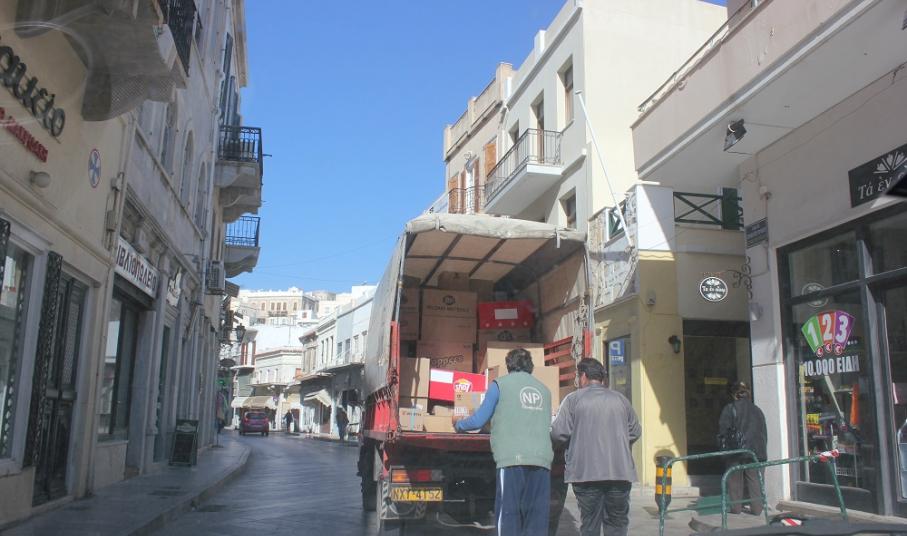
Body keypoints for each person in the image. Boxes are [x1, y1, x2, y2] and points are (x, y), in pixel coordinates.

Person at [454, 348, 554, 536]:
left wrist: (458, 424)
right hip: (542, 461)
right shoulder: (545, 390)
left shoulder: (499, 385)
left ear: (509, 366)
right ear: (530, 366)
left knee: (509, 515)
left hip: (512, 460)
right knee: (536, 519)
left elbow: (478, 420)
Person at [551, 358, 640, 536]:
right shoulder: (621, 399)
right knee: (617, 524)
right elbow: (635, 431)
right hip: (620, 472)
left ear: (583, 376)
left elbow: (558, 433)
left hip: (586, 474)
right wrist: (616, 441)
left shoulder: (573, 400)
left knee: (590, 524)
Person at [719, 381, 767, 515]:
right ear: (748, 394)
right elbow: (763, 433)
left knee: (734, 480)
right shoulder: (758, 410)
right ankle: (757, 509)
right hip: (756, 451)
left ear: (734, 394)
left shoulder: (729, 409)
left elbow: (723, 431)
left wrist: (723, 451)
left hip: (736, 451)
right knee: (756, 481)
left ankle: (736, 509)